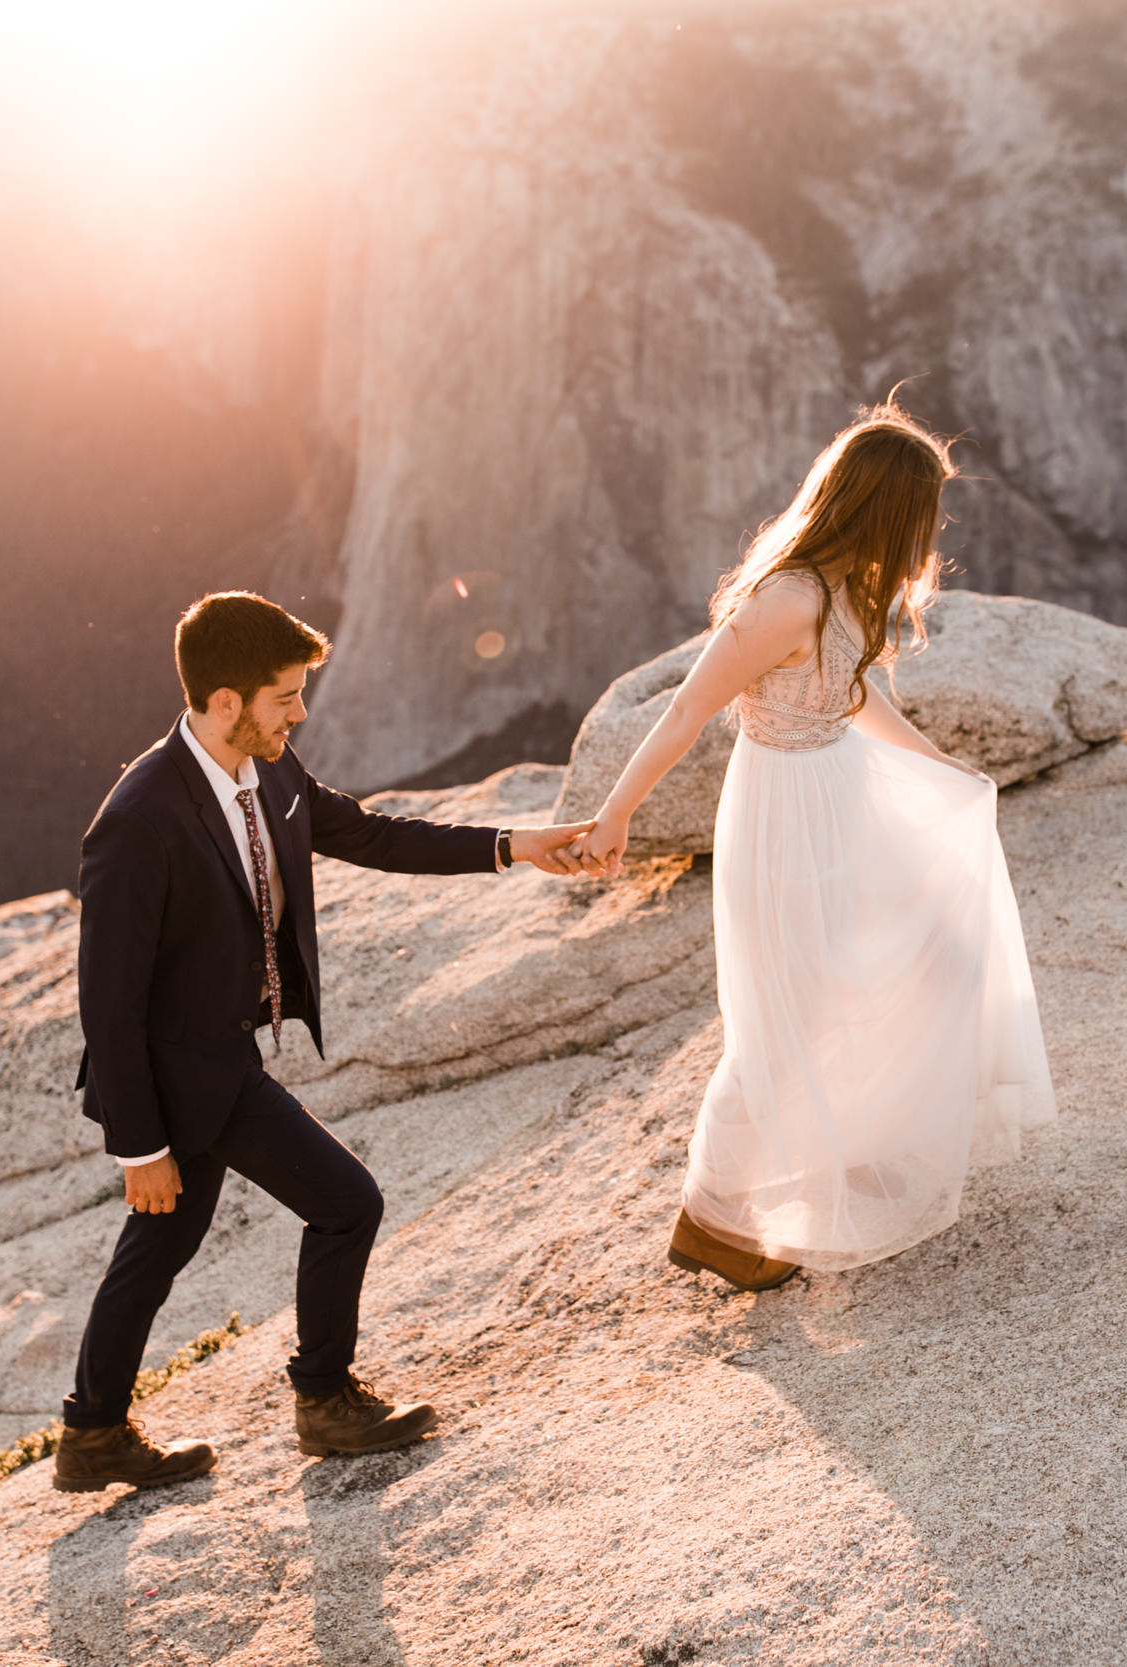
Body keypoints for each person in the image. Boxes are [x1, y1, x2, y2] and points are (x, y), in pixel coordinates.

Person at [56, 591, 595, 1492]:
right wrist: (141, 1145)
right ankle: (324, 1400)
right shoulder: (140, 816)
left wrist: (515, 844)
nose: (299, 714)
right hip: (189, 1073)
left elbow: (369, 833)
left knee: (160, 1246)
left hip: (219, 1055)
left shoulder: (264, 769)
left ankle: (95, 1432)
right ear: (224, 700)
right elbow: (108, 1002)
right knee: (347, 1202)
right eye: (285, 697)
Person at [581, 405, 1056, 1290]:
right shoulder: (787, 597)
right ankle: (712, 1218)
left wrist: (943, 765)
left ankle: (858, 1139)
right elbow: (686, 710)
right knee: (783, 1018)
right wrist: (616, 815)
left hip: (842, 796)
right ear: (884, 507)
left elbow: (851, 694)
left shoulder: (849, 588)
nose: (933, 532)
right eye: (925, 513)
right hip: (783, 815)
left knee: (930, 963)